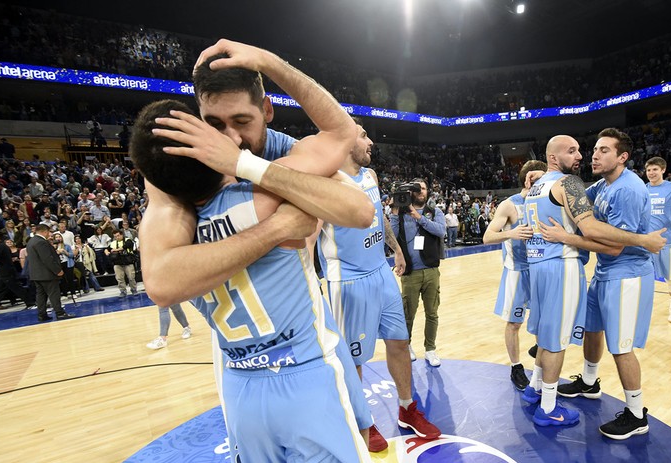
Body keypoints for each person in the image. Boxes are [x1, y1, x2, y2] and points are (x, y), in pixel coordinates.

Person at [133, 38, 381, 461]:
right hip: (282, 363)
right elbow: (343, 147)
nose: (230, 139)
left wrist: (241, 164)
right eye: (214, 124)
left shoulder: (182, 187)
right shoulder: (261, 195)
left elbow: (358, 211)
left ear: (267, 111)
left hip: (252, 359)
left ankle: (364, 424)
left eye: (242, 121)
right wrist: (278, 225)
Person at [312, 121, 441, 452]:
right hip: (349, 282)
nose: (371, 142)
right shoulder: (323, 181)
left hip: (380, 272)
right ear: (344, 140)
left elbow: (378, 216)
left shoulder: (369, 176)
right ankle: (360, 422)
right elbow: (308, 236)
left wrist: (395, 248)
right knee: (352, 360)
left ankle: (407, 407)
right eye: (364, 135)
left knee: (399, 342)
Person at [524, 133, 665, 429]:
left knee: (621, 347)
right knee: (591, 328)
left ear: (622, 157)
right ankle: (589, 381)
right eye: (589, 150)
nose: (591, 156)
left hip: (627, 273)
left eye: (602, 150)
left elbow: (613, 245)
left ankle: (637, 414)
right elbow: (567, 198)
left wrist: (567, 237)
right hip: (602, 272)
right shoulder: (600, 185)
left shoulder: (628, 190)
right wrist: (546, 177)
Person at [482, 160, 547, 391]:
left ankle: (539, 353)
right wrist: (512, 232)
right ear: (527, 179)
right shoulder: (510, 205)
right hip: (517, 272)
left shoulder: (546, 202)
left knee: (544, 322)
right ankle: (516, 366)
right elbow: (487, 237)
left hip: (541, 269)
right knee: (514, 323)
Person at [390, 178, 446, 366]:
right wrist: (395, 212)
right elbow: (392, 234)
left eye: (424, 188)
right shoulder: (401, 214)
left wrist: (419, 217)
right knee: (408, 314)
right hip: (410, 273)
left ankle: (430, 349)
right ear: (411, 193)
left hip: (431, 270)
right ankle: (407, 346)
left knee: (432, 313)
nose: (421, 191)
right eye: (417, 189)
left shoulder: (434, 211)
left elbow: (440, 231)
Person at [645, 156, 671, 323]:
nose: (651, 173)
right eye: (648, 170)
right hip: (644, 241)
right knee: (642, 275)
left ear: (663, 170)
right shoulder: (643, 189)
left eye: (655, 169)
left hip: (665, 241)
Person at [26, 224, 75, 321]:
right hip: (46, 274)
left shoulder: (31, 241)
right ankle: (59, 313)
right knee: (54, 294)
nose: (49, 234)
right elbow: (47, 259)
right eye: (48, 232)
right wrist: (57, 270)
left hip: (36, 274)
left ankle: (42, 314)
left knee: (41, 295)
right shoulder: (41, 242)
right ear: (44, 231)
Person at [0, 230, 36, 314]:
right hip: (3, 272)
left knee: (17, 288)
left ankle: (31, 303)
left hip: (7, 272)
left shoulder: (0, 246)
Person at [106, 229, 137, 297]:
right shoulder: (113, 243)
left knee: (131, 277)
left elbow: (126, 246)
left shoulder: (128, 240)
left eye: (118, 235)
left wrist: (116, 250)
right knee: (119, 278)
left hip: (128, 262)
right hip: (117, 263)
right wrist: (106, 252)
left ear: (122, 234)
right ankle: (122, 291)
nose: (117, 237)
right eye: (115, 236)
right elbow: (107, 249)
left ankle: (133, 289)